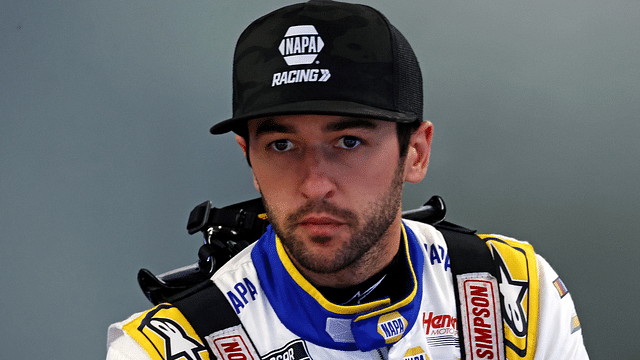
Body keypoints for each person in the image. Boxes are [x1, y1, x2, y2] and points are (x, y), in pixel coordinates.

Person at [106, 1, 589, 359]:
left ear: (415, 153)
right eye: (281, 145)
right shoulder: (165, 349)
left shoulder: (513, 291)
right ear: (250, 159)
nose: (315, 184)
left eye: (349, 142)